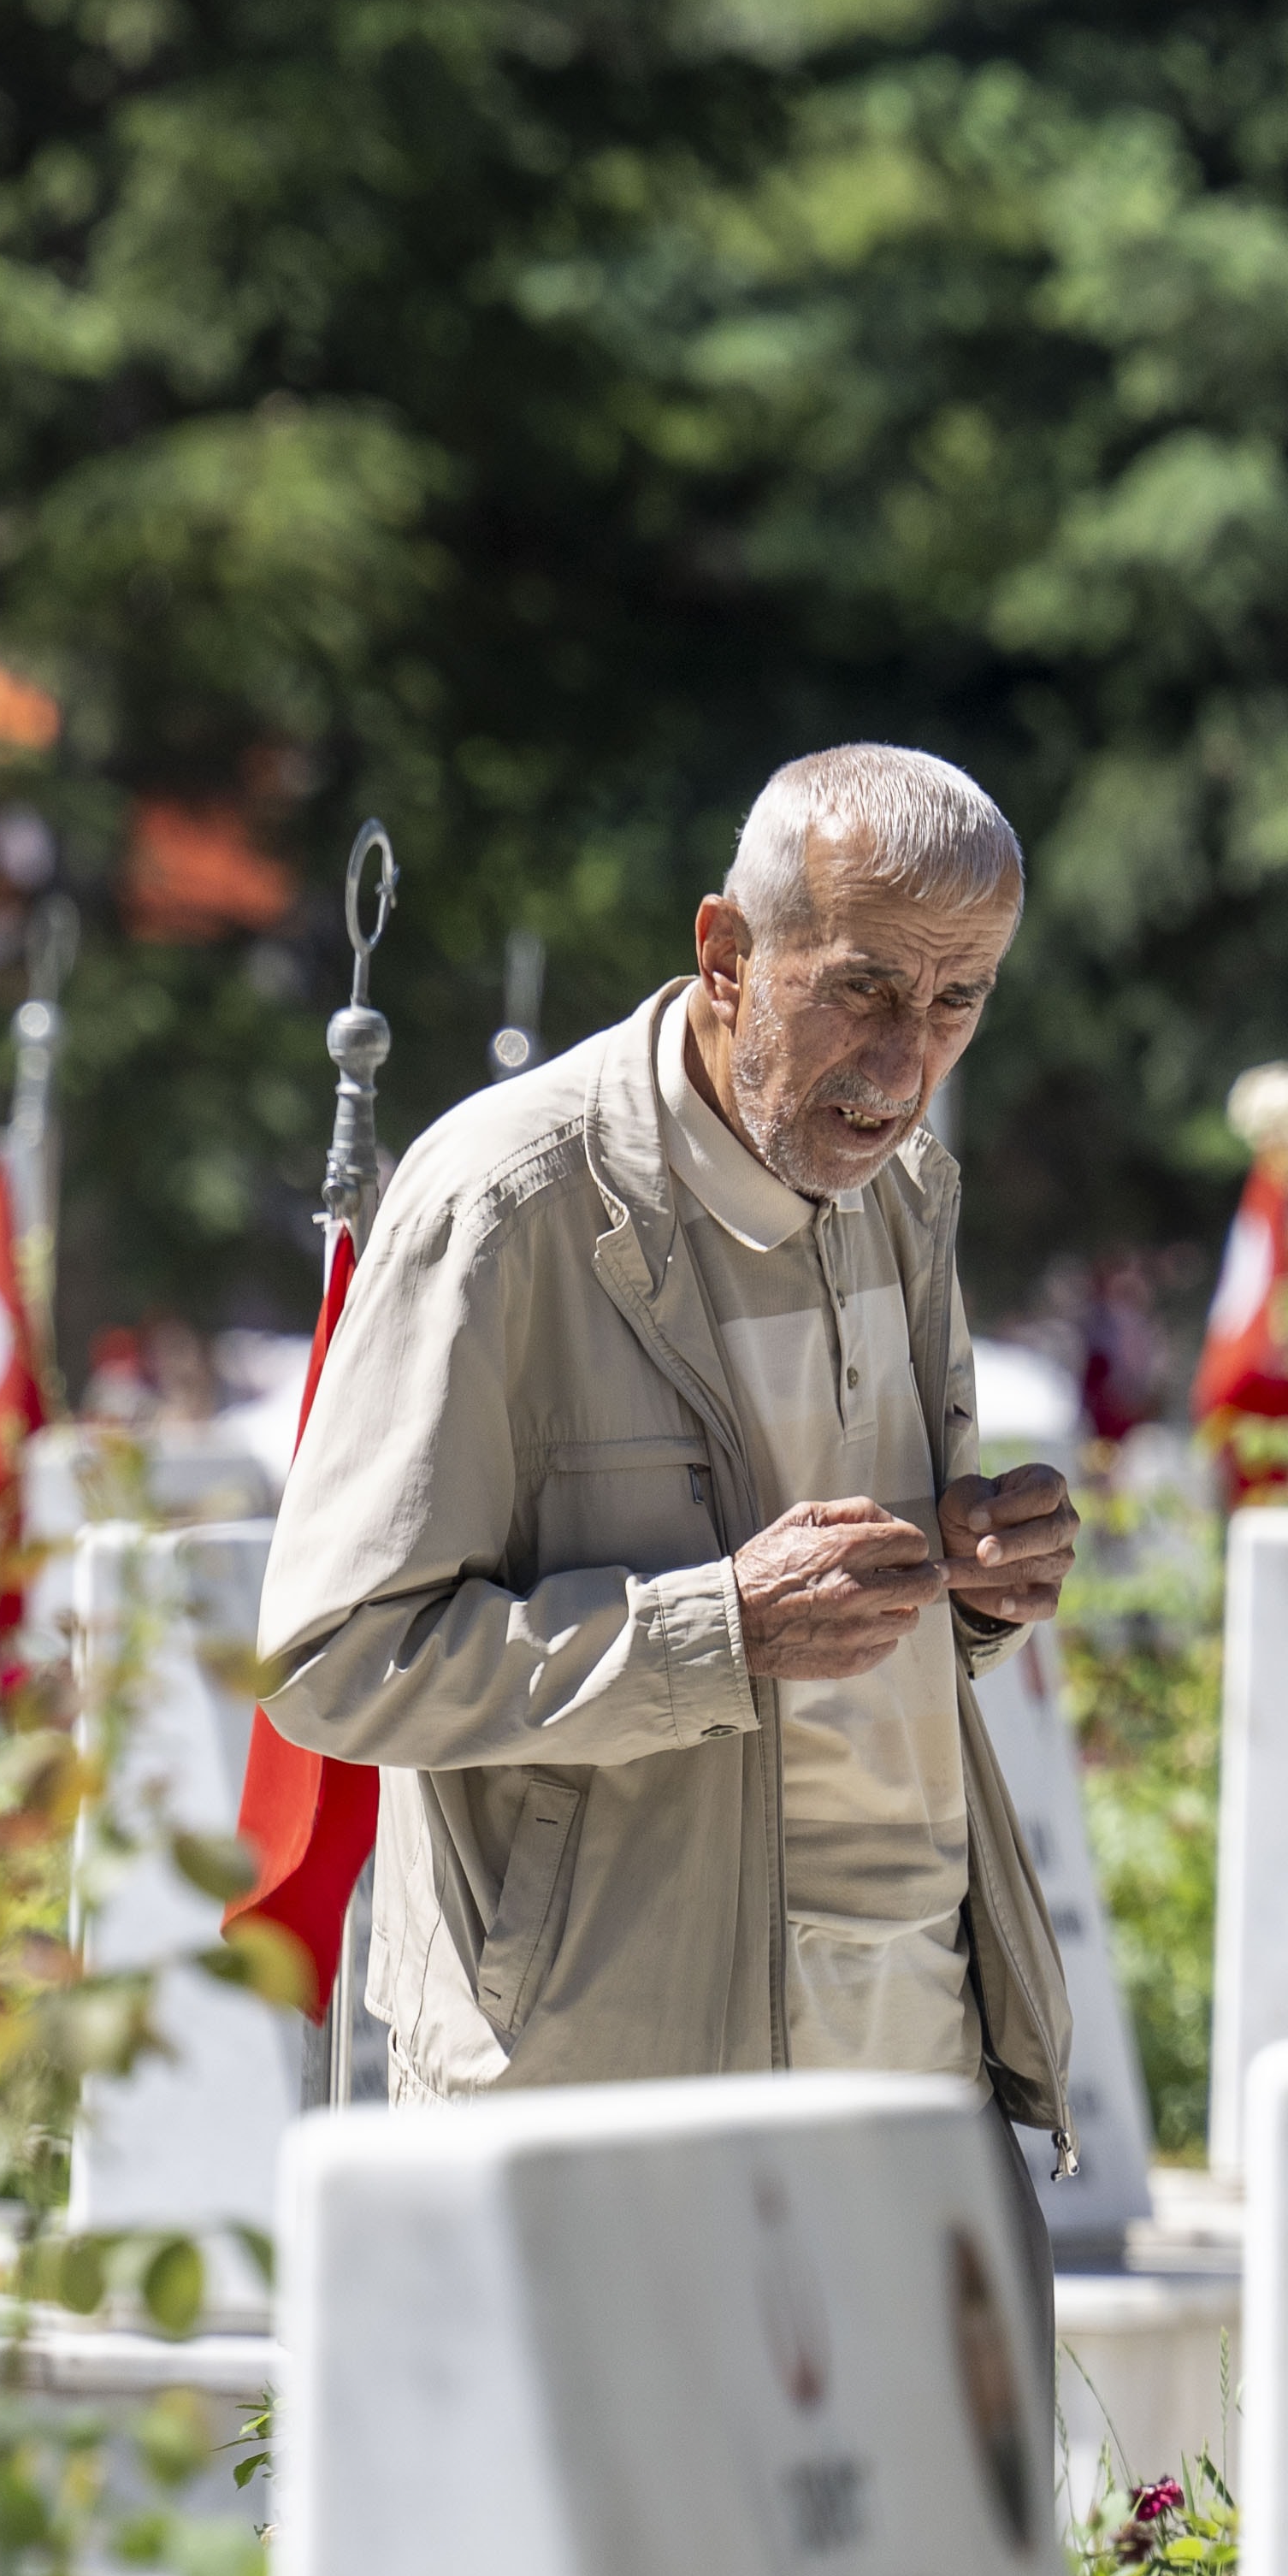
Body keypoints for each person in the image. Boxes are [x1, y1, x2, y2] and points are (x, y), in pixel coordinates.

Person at [254, 743, 1081, 2149]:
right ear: (725, 951)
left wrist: (974, 1586)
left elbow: (857, 1641)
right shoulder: (506, 1204)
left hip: (921, 2035)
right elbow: (330, 1666)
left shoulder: (905, 1185)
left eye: (958, 1001)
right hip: (615, 2066)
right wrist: (719, 1628)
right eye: (863, 988)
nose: (904, 1064)